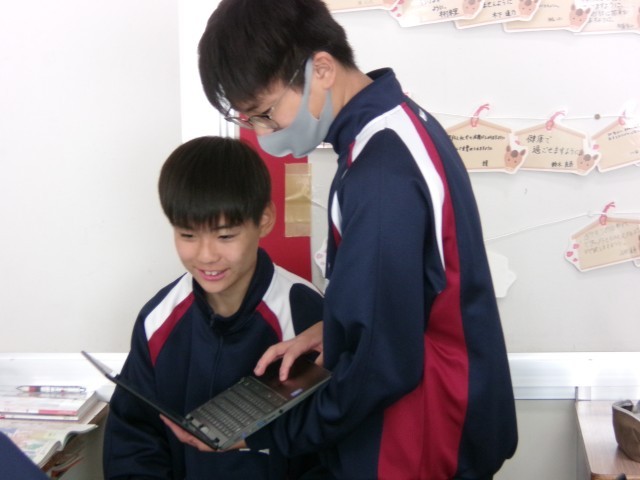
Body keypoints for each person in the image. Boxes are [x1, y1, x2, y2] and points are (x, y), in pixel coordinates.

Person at [173, 1, 519, 478]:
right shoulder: (397, 125)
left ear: (321, 69)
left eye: (267, 113)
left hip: (421, 438)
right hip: (452, 413)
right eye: (251, 120)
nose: (265, 134)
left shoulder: (379, 176)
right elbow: (415, 293)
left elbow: (382, 367)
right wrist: (331, 330)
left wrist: (265, 432)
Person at [103, 136, 324, 480]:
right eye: (188, 235)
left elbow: (330, 444)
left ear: (264, 219)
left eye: (225, 236)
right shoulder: (158, 319)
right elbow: (133, 441)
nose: (206, 256)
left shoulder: (306, 315)